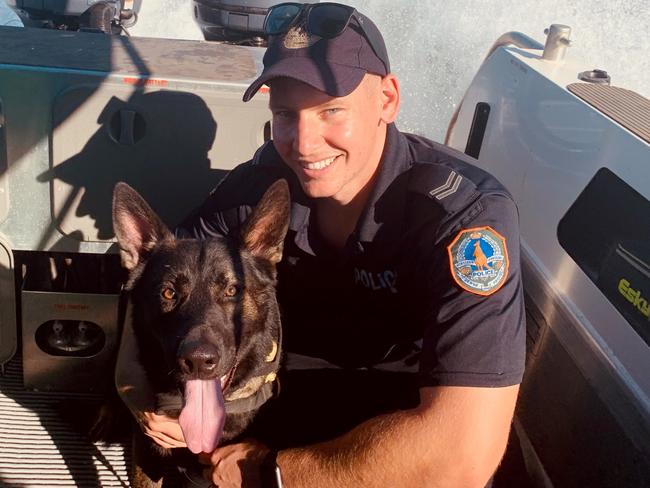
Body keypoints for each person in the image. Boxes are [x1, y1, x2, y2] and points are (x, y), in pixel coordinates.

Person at [116, 3, 525, 487]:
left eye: (332, 109)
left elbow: (460, 459)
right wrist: (135, 389)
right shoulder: (262, 190)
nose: (305, 144)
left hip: (404, 417)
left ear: (388, 100)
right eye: (286, 114)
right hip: (283, 397)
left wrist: (274, 473)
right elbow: (155, 278)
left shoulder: (461, 219)